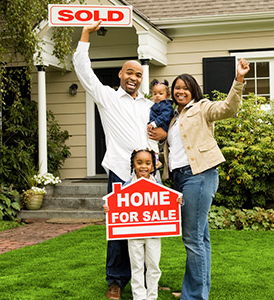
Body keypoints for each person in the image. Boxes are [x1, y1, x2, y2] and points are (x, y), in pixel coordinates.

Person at [73, 20, 167, 300]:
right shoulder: (107, 98)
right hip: (120, 173)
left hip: (150, 176)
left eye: (138, 74)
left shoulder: (151, 106)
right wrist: (85, 34)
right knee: (118, 231)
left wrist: (158, 156)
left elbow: (155, 137)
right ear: (120, 74)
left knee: (151, 231)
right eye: (129, 72)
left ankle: (150, 281)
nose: (134, 78)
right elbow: (84, 71)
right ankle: (116, 280)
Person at [162, 59, 250, 300]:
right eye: (176, 88)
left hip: (199, 175)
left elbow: (228, 108)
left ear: (193, 90)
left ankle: (196, 295)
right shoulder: (173, 116)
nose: (180, 91)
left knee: (192, 238)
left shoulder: (202, 108)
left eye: (185, 87)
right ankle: (196, 290)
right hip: (180, 178)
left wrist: (239, 79)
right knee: (200, 237)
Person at [104, 149, 182, 300]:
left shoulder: (159, 187)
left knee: (153, 265)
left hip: (154, 234)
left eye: (148, 163)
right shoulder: (126, 187)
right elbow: (116, 205)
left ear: (153, 166)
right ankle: (139, 296)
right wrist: (109, 208)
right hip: (134, 234)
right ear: (133, 165)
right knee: (137, 266)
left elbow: (170, 202)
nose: (143, 166)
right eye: (139, 163)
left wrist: (177, 202)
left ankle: (152, 295)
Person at [147, 79, 174, 166]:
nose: (157, 96)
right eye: (155, 94)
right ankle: (154, 160)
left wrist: (154, 123)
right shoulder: (156, 104)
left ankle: (156, 161)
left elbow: (165, 117)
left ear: (168, 95)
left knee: (152, 143)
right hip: (157, 125)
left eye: (161, 94)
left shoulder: (166, 105)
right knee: (151, 144)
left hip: (162, 126)